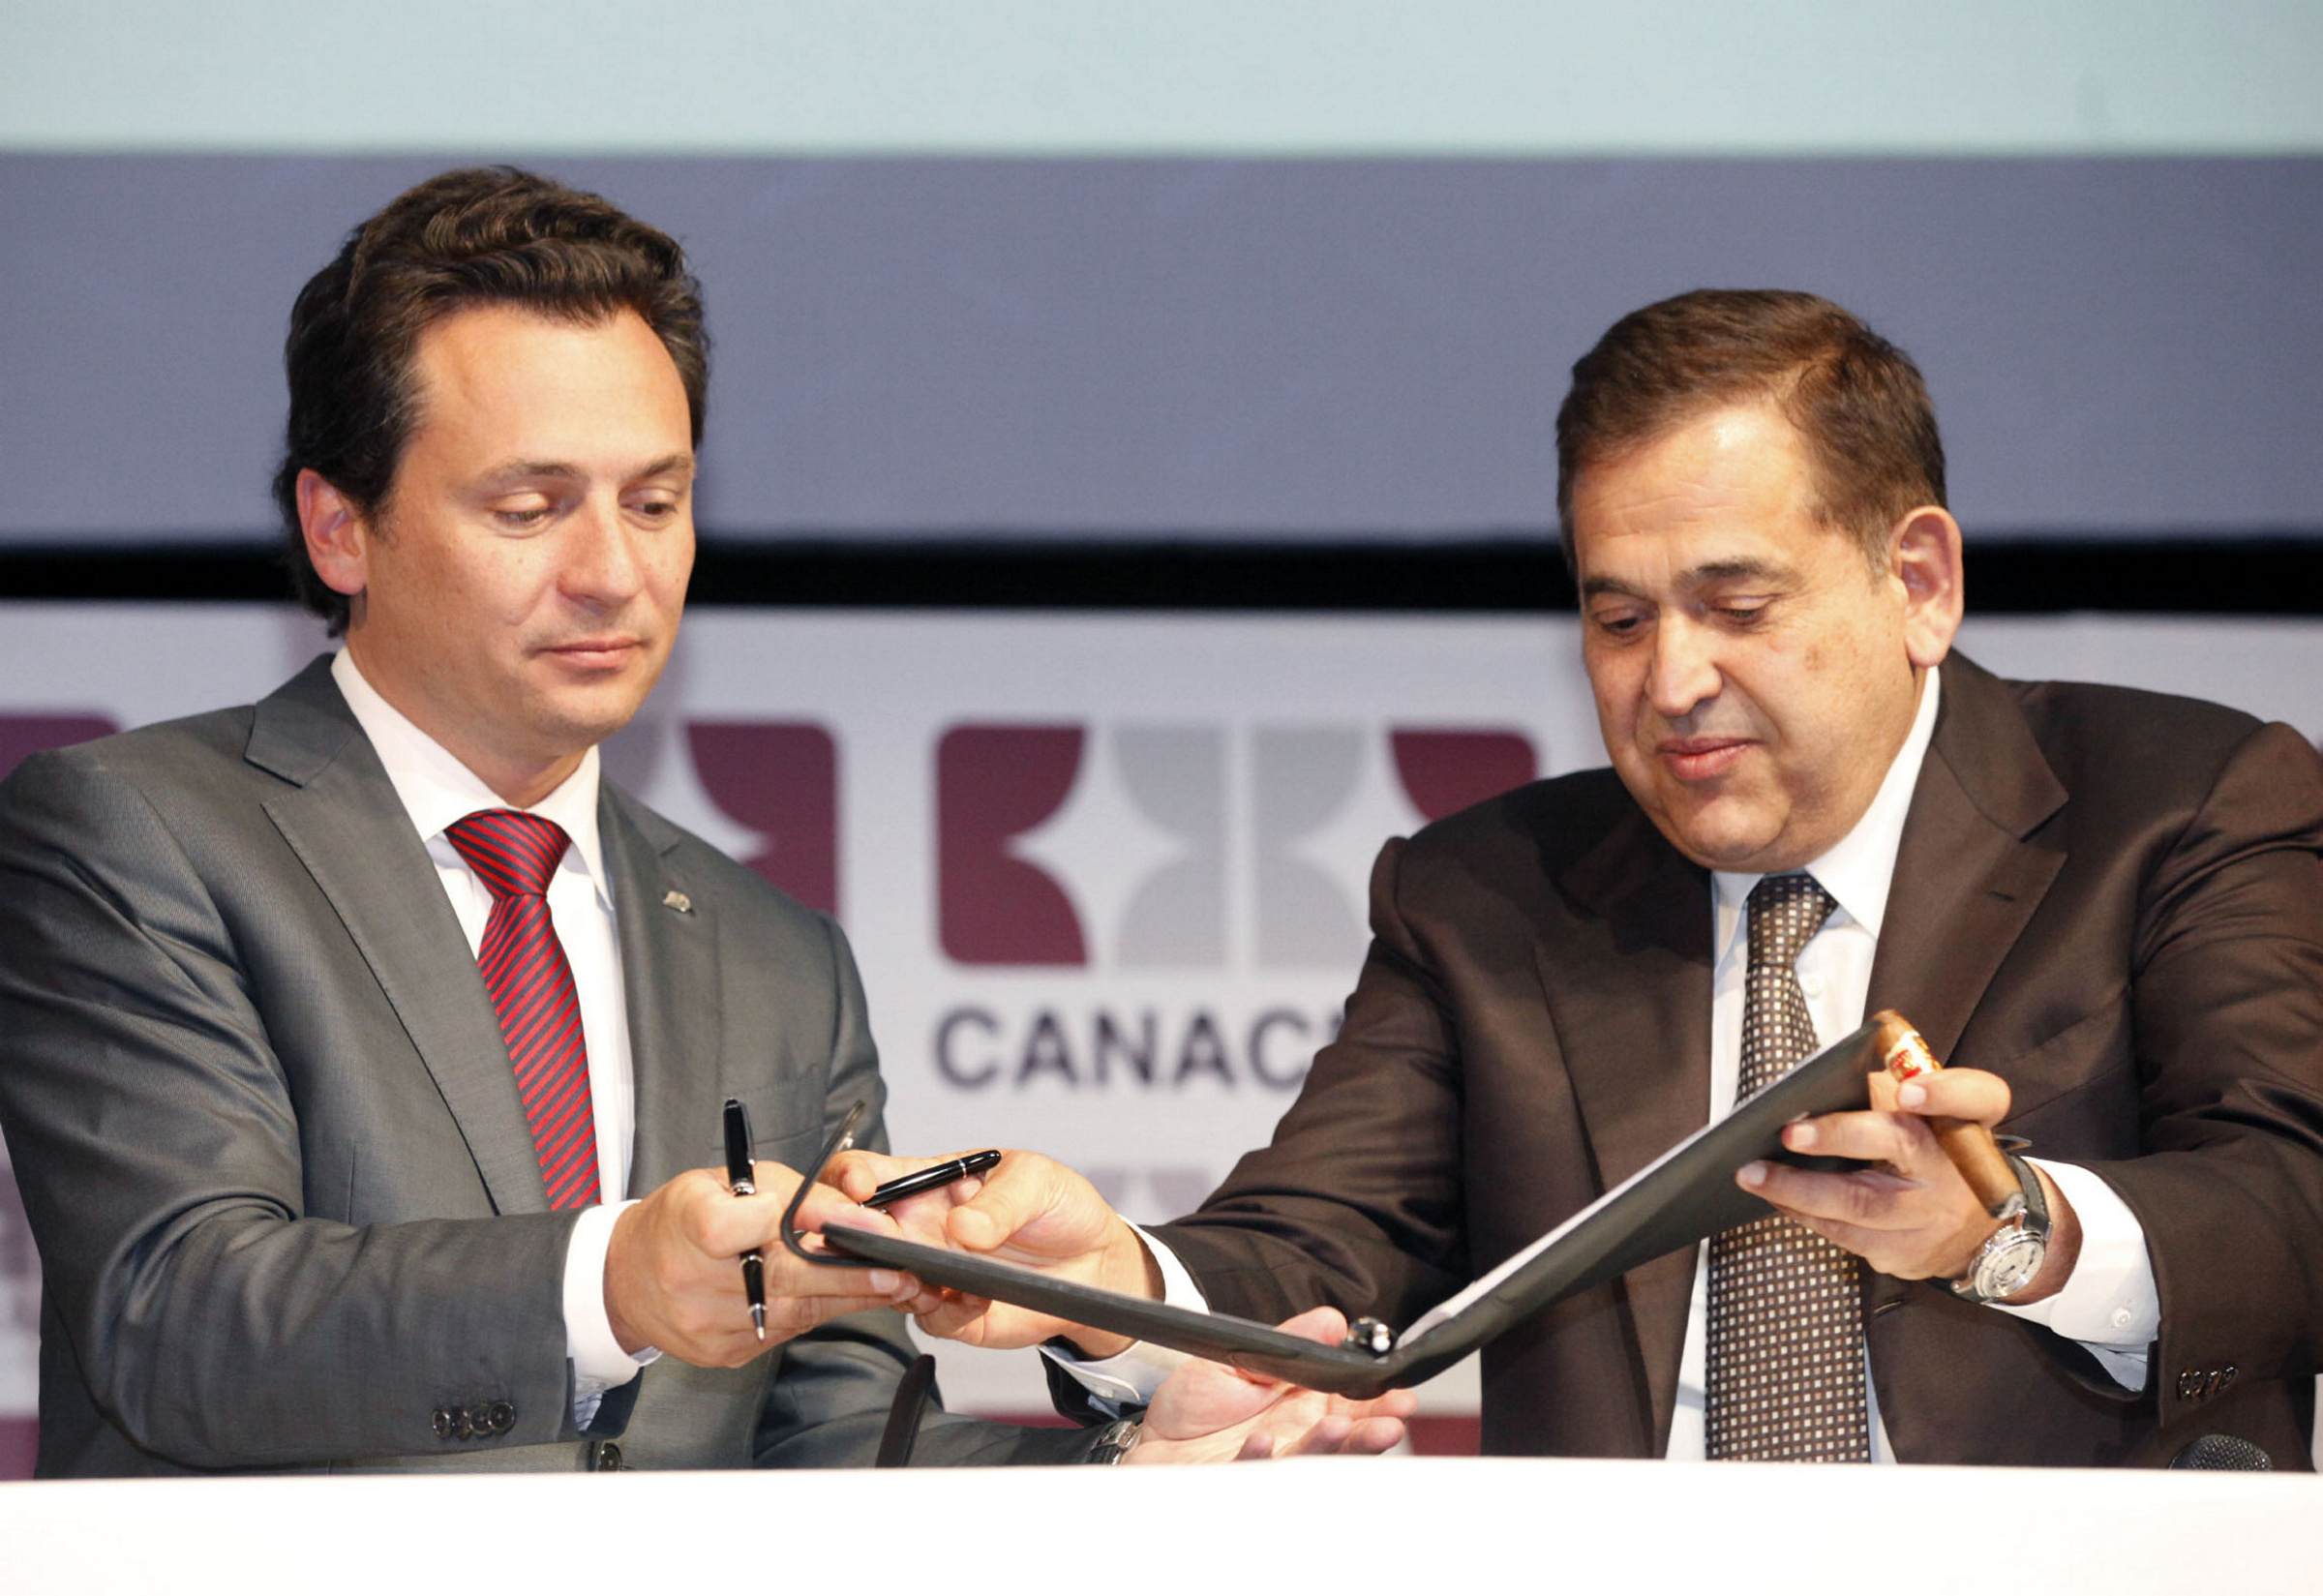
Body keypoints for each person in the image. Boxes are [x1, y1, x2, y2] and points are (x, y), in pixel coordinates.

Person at [0, 166, 1410, 1475]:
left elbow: (835, 1445)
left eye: (656, 501)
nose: (613, 572)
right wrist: (611, 1284)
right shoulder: (139, 836)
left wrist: (1142, 1462)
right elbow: (175, 1316)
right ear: (339, 527)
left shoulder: (774, 956)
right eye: (530, 507)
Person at [849, 290, 2323, 1468]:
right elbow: (1320, 1246)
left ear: (1918, 582)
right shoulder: (1487, 898)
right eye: (1619, 620)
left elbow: (2293, 1201)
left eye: (1736, 604)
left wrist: (2014, 1229)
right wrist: (1107, 1275)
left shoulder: (2179, 807)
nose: (1670, 681)